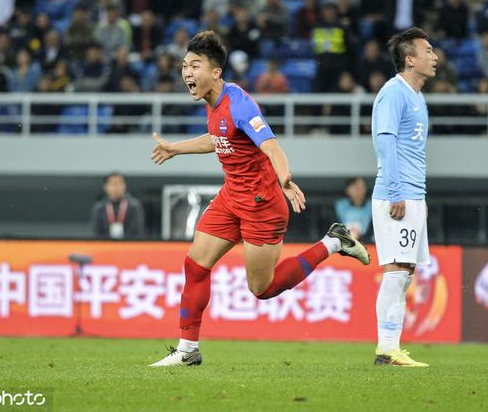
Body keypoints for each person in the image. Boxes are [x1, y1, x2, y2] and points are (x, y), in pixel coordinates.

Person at [148, 31, 370, 367]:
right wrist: (175, 149)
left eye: (194, 66)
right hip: (231, 198)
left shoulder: (240, 104)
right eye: (184, 66)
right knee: (195, 265)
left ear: (216, 72)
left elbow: (271, 146)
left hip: (261, 204)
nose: (187, 73)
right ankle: (187, 349)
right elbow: (217, 138)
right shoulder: (212, 102)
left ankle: (334, 242)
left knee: (262, 288)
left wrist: (285, 180)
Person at [370, 27, 436, 367]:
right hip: (397, 194)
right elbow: (385, 141)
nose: (434, 57)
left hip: (413, 194)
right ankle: (386, 348)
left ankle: (391, 347)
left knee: (405, 272)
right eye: (428, 51)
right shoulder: (393, 93)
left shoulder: (417, 96)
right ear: (410, 60)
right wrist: (397, 191)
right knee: (396, 271)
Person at [90, 172, 145, 240]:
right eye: (113, 184)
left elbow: (137, 231)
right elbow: (96, 232)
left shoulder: (134, 206)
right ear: (105, 187)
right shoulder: (100, 207)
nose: (117, 187)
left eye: (120, 183)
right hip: (105, 244)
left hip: (129, 243)